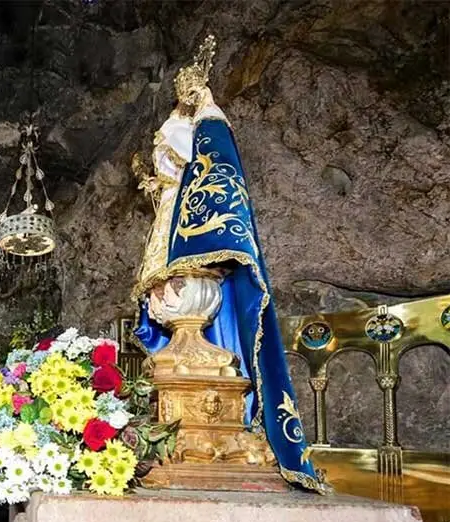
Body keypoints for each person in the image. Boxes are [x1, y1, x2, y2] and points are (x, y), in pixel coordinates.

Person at [130, 36, 327, 492]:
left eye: (191, 89)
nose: (184, 94)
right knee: (164, 290)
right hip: (167, 224)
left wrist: (180, 162)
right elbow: (171, 168)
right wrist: (158, 183)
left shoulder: (207, 126)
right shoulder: (173, 126)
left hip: (189, 233)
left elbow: (210, 167)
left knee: (189, 291)